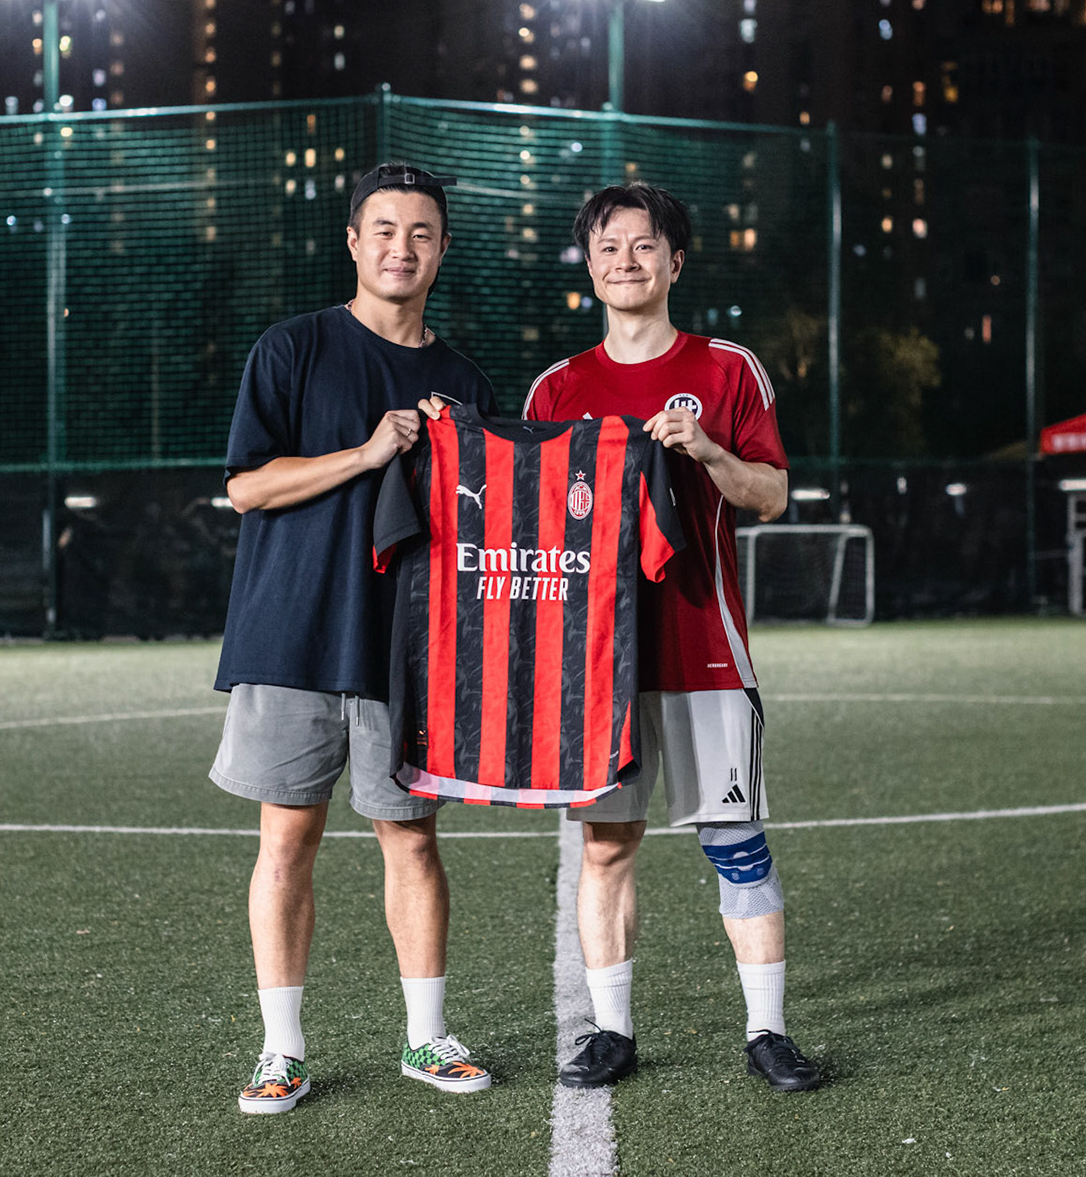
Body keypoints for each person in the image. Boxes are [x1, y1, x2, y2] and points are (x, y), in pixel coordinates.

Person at [524, 181, 822, 1093]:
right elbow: (531, 532)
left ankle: (767, 1031)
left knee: (736, 838)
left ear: (675, 261)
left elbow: (771, 496)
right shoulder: (557, 389)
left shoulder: (728, 370)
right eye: (608, 246)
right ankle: (612, 1031)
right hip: (598, 665)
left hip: (703, 647)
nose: (626, 259)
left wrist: (707, 452)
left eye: (644, 245)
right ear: (589, 265)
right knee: (606, 846)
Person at [212, 163, 497, 1114]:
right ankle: (281, 1050)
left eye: (421, 233)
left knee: (409, 841)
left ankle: (425, 1038)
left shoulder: (462, 380)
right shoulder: (293, 348)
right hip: (290, 635)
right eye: (383, 230)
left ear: (443, 249)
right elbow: (247, 486)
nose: (400, 249)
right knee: (286, 843)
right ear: (353, 241)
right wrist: (368, 454)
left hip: (406, 653)